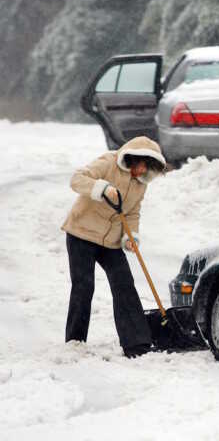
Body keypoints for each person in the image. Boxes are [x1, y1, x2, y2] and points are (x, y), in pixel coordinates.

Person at [61, 135, 166, 358]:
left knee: (124, 284)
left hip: (110, 241)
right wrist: (101, 188)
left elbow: (133, 211)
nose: (143, 172)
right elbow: (76, 179)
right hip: (81, 232)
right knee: (84, 285)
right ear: (133, 158)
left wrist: (132, 237)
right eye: (142, 165)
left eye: (149, 168)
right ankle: (75, 340)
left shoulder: (140, 184)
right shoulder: (108, 162)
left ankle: (136, 344)